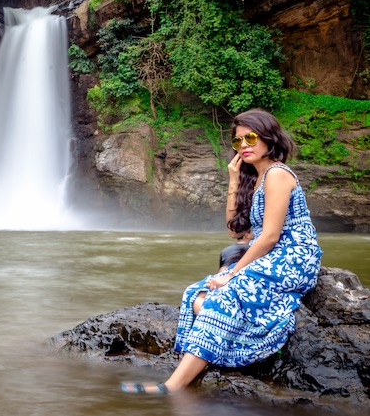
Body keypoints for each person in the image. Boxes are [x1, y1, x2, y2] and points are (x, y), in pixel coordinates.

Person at [121, 108, 323, 394]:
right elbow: (236, 232)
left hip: (294, 257)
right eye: (237, 141)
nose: (244, 146)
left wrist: (232, 275)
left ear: (268, 137)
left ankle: (172, 386)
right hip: (271, 254)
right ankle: (230, 340)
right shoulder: (258, 178)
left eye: (250, 138)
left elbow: (270, 237)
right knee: (196, 294)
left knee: (223, 296)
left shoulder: (278, 174)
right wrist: (234, 179)